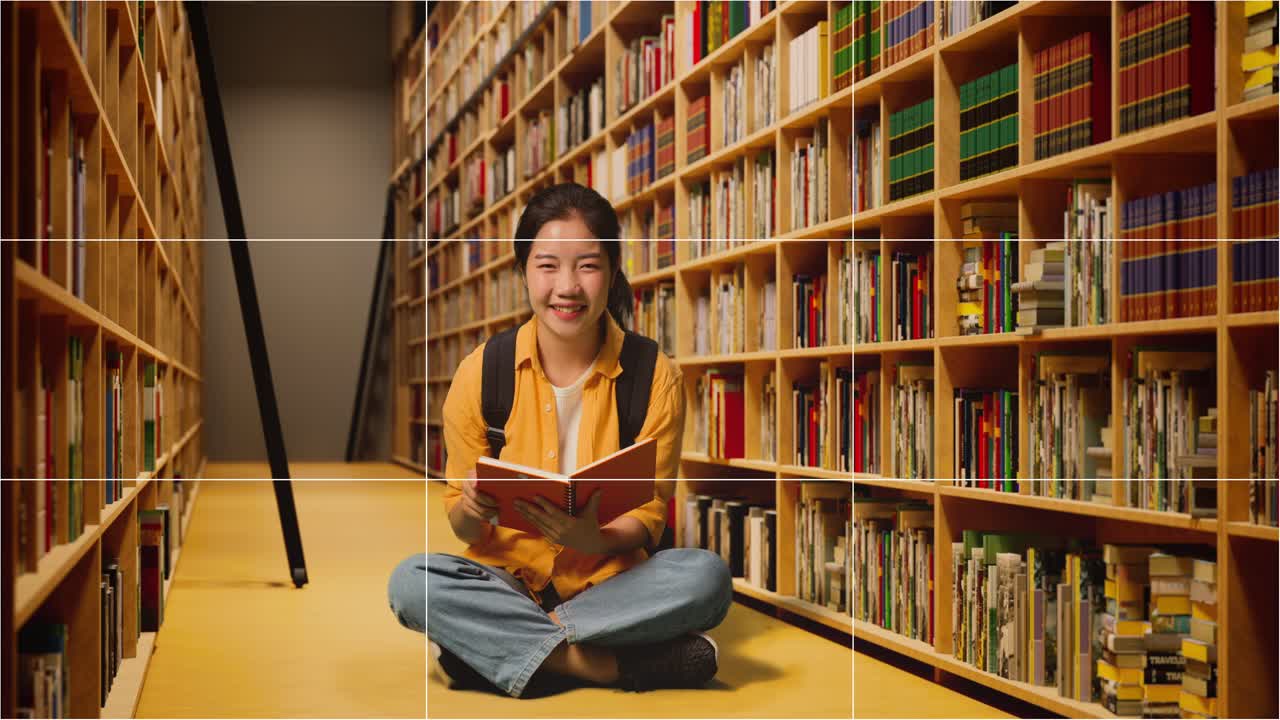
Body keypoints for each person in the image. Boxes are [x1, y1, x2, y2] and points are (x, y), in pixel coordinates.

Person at [427, 479, 732, 698]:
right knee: (416, 580)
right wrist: (469, 508)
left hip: (612, 585)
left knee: (707, 574)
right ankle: (604, 666)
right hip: (511, 581)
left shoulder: (653, 387)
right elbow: (464, 527)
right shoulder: (476, 387)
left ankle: (493, 646)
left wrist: (597, 541)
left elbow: (651, 506)